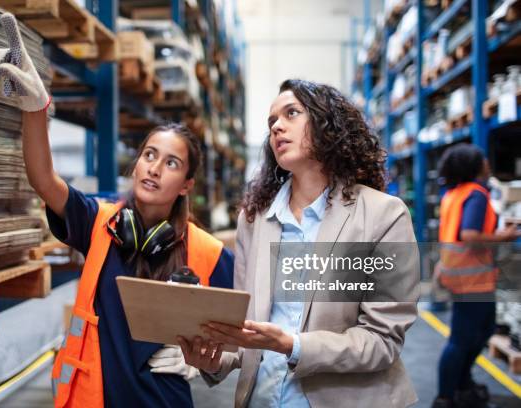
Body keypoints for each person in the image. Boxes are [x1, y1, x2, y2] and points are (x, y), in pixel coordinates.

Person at [0, 13, 233, 408]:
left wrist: (214, 362)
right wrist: (36, 109)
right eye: (149, 155)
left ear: (187, 184)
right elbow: (44, 180)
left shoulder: (208, 252)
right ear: (136, 165)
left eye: (171, 163)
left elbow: (243, 334)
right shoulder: (99, 222)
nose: (153, 167)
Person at [178, 79, 420, 407]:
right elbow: (245, 335)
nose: (277, 125)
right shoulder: (254, 220)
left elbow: (382, 341)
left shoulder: (382, 215)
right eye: (272, 121)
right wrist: (212, 361)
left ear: (326, 124)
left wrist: (293, 344)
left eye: (292, 113)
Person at [432, 144, 520, 408]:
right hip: (472, 282)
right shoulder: (477, 194)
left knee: (480, 333)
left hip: (459, 275)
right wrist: (502, 237)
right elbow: (468, 236)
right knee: (462, 339)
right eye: (482, 158)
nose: (487, 161)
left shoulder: (453, 194)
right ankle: (446, 396)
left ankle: (461, 383)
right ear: (473, 166)